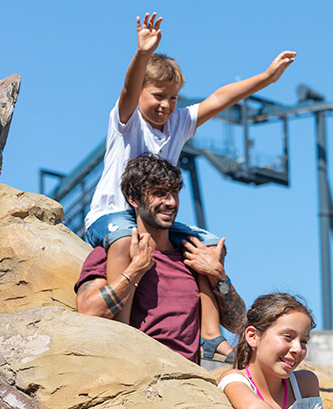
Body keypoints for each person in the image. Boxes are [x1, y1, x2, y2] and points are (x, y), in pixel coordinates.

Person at [83, 12, 295, 357]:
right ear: (141, 94)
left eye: (173, 98)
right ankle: (121, 328)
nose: (166, 105)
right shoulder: (126, 122)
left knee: (209, 245)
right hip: (112, 216)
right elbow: (128, 89)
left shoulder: (178, 123)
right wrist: (142, 54)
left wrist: (267, 78)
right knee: (126, 240)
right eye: (157, 96)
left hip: (154, 218)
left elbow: (221, 98)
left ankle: (210, 335)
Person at [75, 154, 245, 363]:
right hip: (139, 369)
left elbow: (238, 324)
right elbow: (88, 310)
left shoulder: (192, 256)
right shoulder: (110, 253)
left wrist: (218, 275)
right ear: (133, 199)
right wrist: (134, 270)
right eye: (159, 194)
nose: (170, 202)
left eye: (174, 194)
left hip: (187, 378)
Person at [217, 294, 331, 409]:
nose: (297, 349)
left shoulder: (305, 383)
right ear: (252, 336)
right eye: (288, 337)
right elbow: (253, 408)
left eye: (304, 341)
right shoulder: (234, 379)